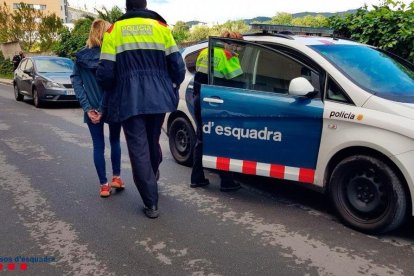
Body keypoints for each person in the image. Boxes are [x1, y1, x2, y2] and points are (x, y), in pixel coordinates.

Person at [96, 0, 185, 218]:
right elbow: (178, 67)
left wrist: (111, 87)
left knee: (138, 148)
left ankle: (151, 203)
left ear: (126, 7)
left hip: (130, 99)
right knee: (152, 141)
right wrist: (169, 85)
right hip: (159, 98)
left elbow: (106, 73)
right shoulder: (161, 28)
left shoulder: (114, 30)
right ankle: (153, 174)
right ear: (145, 5)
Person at [70, 19, 124, 198]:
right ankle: (117, 177)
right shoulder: (112, 56)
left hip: (91, 108)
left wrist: (88, 108)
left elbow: (76, 82)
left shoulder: (80, 58)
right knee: (115, 141)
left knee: (98, 146)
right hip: (111, 107)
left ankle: (103, 185)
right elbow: (113, 85)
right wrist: (102, 108)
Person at [191, 31, 244, 192]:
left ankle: (197, 178)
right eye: (239, 46)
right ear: (232, 43)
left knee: (202, 138)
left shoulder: (205, 51)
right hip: (220, 102)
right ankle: (226, 180)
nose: (240, 50)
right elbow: (239, 84)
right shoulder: (229, 56)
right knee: (224, 139)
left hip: (200, 99)